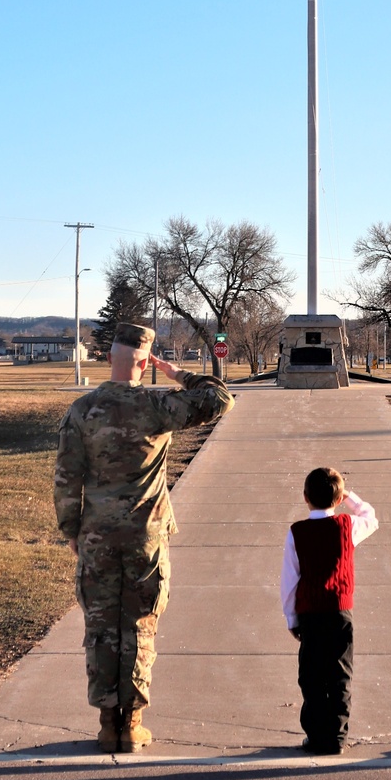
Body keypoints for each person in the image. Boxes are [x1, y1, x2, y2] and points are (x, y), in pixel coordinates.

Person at [54, 322, 234, 753]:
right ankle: (132, 724)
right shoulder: (158, 408)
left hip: (97, 534)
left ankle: (105, 723)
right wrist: (177, 373)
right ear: (143, 361)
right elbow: (220, 398)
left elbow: (66, 478)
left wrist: (71, 529)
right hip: (147, 537)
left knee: (100, 627)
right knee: (140, 626)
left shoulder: (82, 411)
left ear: (109, 358)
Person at [280, 467, 378, 755]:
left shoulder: (297, 532)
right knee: (339, 674)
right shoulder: (347, 527)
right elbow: (370, 518)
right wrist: (351, 498)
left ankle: (315, 733)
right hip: (339, 612)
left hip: (309, 612)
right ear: (338, 500)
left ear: (305, 498)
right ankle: (336, 735)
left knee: (310, 675)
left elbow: (290, 579)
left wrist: (291, 616)